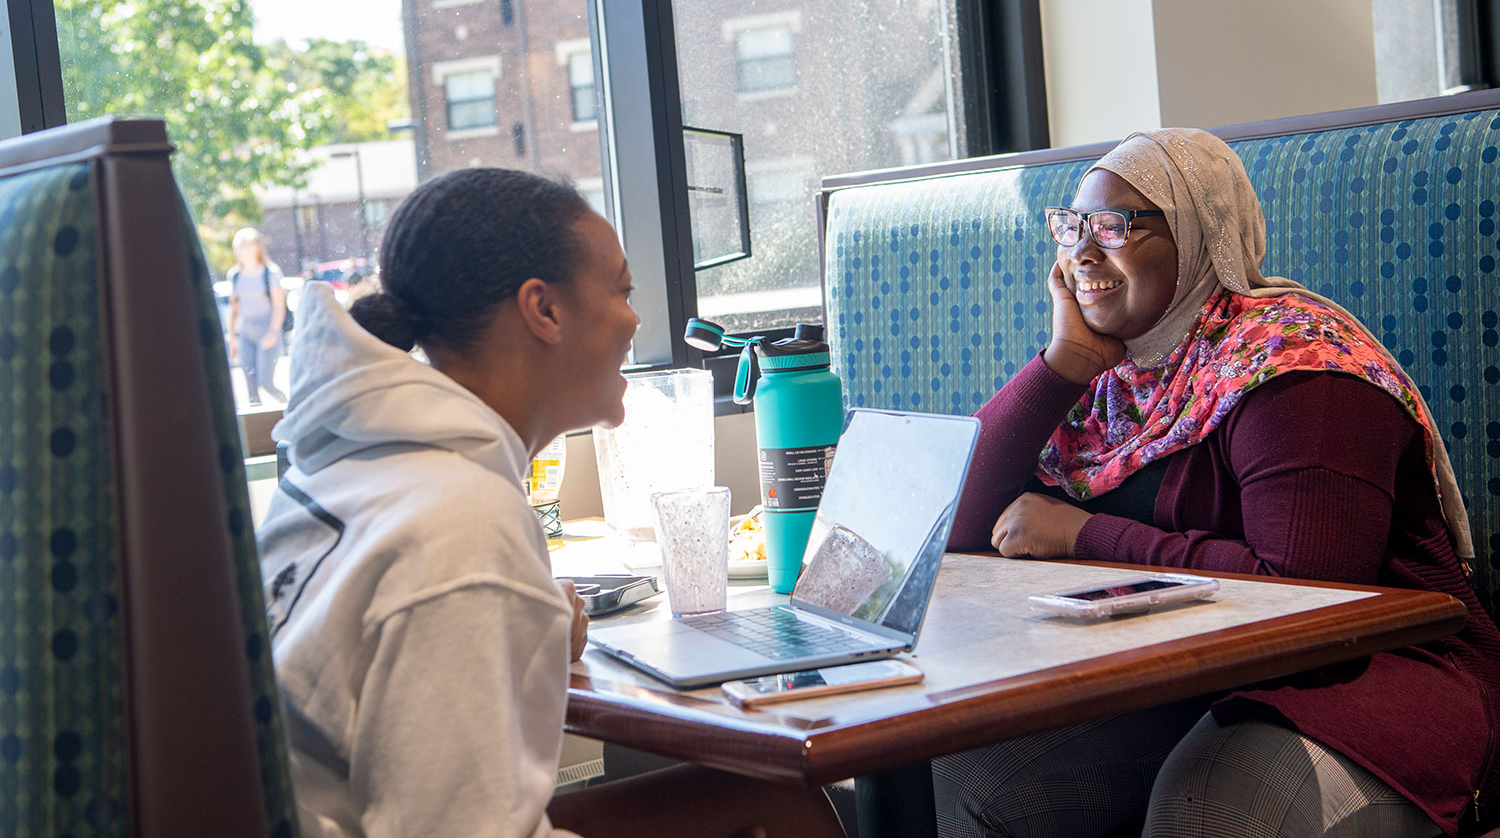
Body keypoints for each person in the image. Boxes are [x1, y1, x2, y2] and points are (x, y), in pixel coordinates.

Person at [935, 129, 1500, 838]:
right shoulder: (1111, 377)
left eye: (1114, 226)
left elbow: (1308, 591)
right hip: (1177, 675)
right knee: (975, 776)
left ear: (1203, 238)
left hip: (1378, 675)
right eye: (1071, 226)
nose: (1082, 251)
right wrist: (1063, 362)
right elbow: (948, 525)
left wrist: (1085, 534)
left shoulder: (1297, 365)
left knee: (1210, 807)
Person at [256, 168, 845, 838]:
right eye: (621, 290)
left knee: (768, 797)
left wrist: (523, 628)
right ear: (544, 310)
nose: (634, 319)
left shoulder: (350, 465)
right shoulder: (463, 522)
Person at [227, 226, 287, 405]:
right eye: (238, 246)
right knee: (251, 387)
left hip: (267, 331)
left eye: (245, 245)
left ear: (256, 248)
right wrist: (233, 337)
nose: (240, 249)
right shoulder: (235, 275)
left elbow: (279, 306)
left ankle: (291, 409)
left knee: (266, 383)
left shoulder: (270, 273)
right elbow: (235, 308)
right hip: (246, 333)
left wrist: (273, 332)